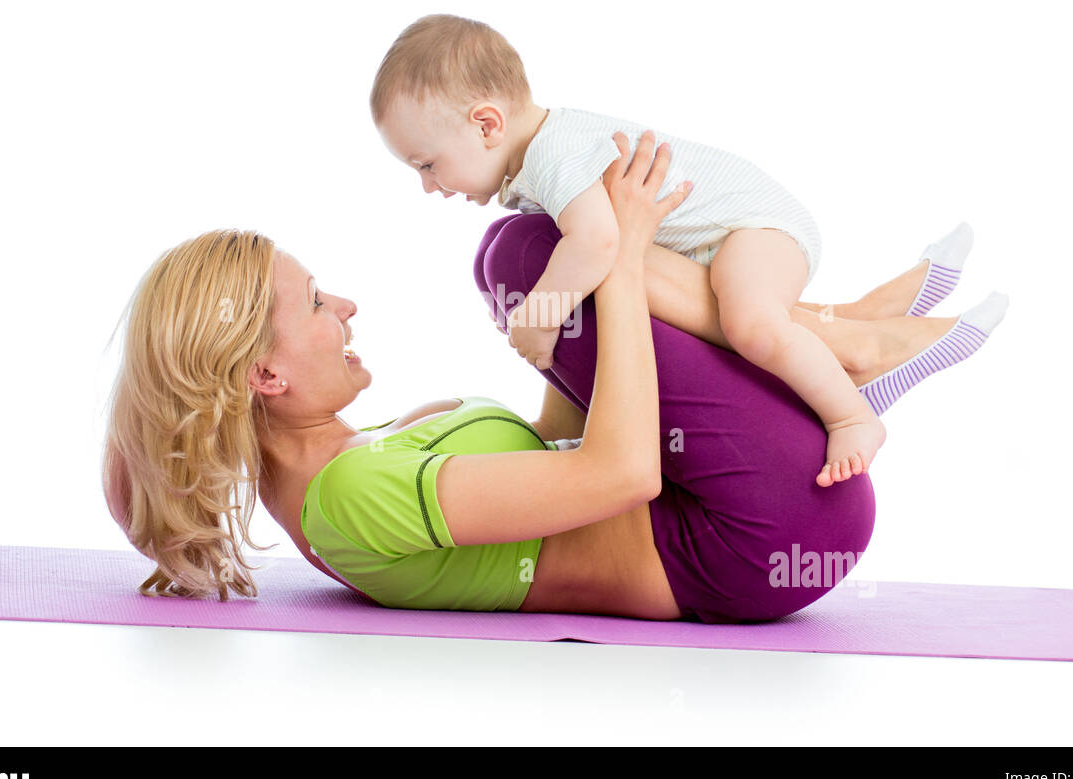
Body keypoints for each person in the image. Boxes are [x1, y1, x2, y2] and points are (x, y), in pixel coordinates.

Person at [102, 133, 998, 623]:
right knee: (526, 257)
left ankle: (844, 332)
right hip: (756, 540)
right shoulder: (351, 498)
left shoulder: (355, 461)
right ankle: (847, 339)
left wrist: (557, 342)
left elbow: (562, 442)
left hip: (751, 514)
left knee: (527, 257)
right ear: (262, 373)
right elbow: (621, 473)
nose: (346, 305)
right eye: (313, 303)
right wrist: (620, 254)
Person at [371, 13, 1009, 487]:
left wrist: (538, 314)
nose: (428, 185)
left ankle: (853, 412)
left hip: (757, 228)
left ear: (486, 125)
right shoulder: (538, 162)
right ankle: (876, 316)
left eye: (427, 164)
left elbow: (598, 243)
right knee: (751, 313)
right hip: (730, 240)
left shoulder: (553, 157)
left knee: (754, 324)